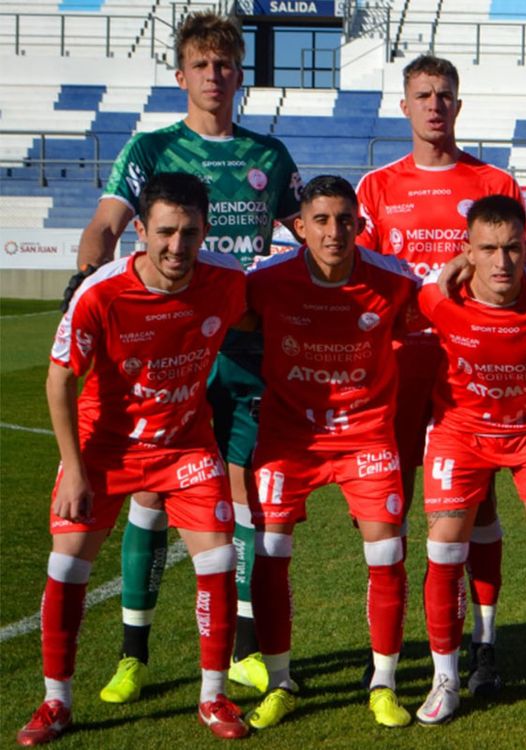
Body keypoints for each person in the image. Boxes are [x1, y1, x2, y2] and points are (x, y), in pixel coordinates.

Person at [68, 10, 302, 702]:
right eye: (201, 64)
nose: (213, 74)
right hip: (162, 352)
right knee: (148, 490)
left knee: (239, 496)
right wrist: (83, 291)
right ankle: (132, 654)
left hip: (242, 347)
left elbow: (308, 234)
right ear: (181, 75)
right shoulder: (149, 150)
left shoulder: (270, 157)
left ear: (239, 75)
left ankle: (244, 649)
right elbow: (106, 227)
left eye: (225, 64)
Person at [18, 173, 250, 745]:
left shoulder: (228, 284)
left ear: (206, 230)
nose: (177, 246)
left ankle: (213, 695)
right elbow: (59, 380)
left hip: (186, 445)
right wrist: (74, 469)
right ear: (141, 231)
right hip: (105, 448)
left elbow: (277, 305)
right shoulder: (101, 292)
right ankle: (56, 702)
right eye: (165, 232)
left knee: (219, 561)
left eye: (190, 232)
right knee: (67, 564)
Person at [355, 55, 524, 693]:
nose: (434, 105)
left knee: (477, 506)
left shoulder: (495, 181)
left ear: (458, 104)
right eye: (422, 94)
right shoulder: (375, 187)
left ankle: (482, 642)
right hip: (396, 367)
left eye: (444, 95)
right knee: (391, 510)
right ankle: (396, 648)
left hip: (471, 366)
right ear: (405, 105)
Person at [235, 176, 418, 731]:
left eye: (345, 220)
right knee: (269, 552)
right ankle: (280, 677)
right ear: (299, 227)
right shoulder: (264, 281)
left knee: (386, 552)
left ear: (360, 225)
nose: (334, 231)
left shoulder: (394, 280)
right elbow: (216, 312)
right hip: (289, 440)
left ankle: (382, 683)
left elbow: (439, 300)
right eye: (321, 220)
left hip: (365, 435)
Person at [415, 195, 526, 726]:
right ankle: (445, 677)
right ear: (467, 251)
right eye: (488, 248)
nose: (502, 261)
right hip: (460, 437)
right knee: (444, 552)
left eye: (513, 248)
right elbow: (410, 285)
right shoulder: (439, 297)